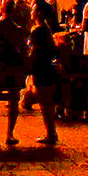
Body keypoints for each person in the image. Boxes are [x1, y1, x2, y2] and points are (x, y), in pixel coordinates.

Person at [0, 0, 31, 148]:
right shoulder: (17, 28)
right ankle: (10, 133)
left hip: (0, 64)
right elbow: (23, 48)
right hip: (14, 65)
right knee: (13, 101)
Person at [28, 11, 60, 146]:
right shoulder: (47, 31)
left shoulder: (37, 31)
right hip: (48, 68)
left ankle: (50, 133)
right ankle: (51, 131)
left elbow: (32, 50)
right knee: (48, 103)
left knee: (44, 103)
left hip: (40, 69)